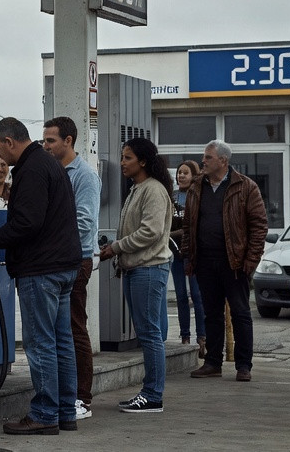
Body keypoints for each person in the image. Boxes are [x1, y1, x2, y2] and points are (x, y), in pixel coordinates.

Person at [0, 117, 81, 435]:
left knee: (41, 344)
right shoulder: (49, 164)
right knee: (62, 341)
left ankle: (45, 414)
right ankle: (65, 411)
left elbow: (27, 222)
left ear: (9, 142)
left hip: (42, 269)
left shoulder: (31, 170)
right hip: (63, 265)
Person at [98, 137, 174, 413]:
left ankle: (153, 395)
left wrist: (116, 247)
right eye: (122, 157)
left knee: (150, 333)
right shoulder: (137, 189)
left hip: (149, 269)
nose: (122, 163)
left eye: (128, 157)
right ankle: (150, 392)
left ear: (143, 161)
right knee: (148, 332)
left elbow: (150, 232)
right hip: (135, 269)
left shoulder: (152, 190)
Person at [184, 139, 268, 383]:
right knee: (211, 313)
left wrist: (251, 260)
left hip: (234, 263)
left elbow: (259, 225)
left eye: (208, 157)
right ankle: (212, 363)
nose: (203, 161)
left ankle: (243, 365)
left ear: (223, 160)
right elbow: (189, 224)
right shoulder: (197, 186)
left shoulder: (245, 186)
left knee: (241, 313)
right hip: (205, 262)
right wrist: (189, 257)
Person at [41, 116, 99, 421]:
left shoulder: (84, 176)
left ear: (69, 141)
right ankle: (67, 394)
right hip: (58, 258)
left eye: (51, 141)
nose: (46, 146)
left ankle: (82, 398)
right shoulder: (53, 171)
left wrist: (52, 240)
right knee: (59, 330)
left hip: (76, 259)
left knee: (74, 328)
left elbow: (84, 221)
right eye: (44, 140)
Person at [171, 160, 207, 359]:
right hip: (175, 254)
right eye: (179, 172)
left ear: (194, 175)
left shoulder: (198, 196)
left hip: (193, 253)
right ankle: (185, 337)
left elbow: (195, 225)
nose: (181, 176)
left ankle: (202, 338)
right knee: (181, 296)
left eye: (185, 173)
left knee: (197, 295)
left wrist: (175, 233)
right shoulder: (172, 196)